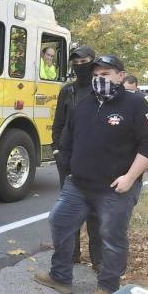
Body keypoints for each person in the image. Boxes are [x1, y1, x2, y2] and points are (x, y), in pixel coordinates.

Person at [35, 55, 148, 294]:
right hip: (78, 184)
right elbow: (69, 139)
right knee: (60, 221)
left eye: (106, 74)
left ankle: (108, 288)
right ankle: (61, 277)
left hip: (116, 188)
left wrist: (130, 177)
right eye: (96, 75)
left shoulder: (136, 104)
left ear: (120, 76)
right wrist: (66, 166)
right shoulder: (85, 104)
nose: (100, 79)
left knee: (111, 237)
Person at [51, 46, 102, 271]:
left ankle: (98, 260)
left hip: (96, 161)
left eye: (85, 61)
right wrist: (56, 151)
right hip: (68, 160)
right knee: (69, 211)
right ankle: (72, 255)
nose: (80, 65)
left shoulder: (101, 89)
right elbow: (58, 124)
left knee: (95, 213)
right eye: (76, 62)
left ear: (93, 61)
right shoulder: (67, 91)